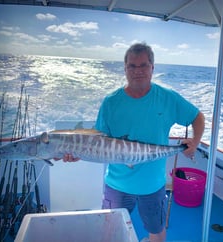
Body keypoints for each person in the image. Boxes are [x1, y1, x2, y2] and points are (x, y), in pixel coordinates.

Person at [63, 43, 205, 242]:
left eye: (143, 65)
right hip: (117, 184)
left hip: (153, 185)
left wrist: (195, 141)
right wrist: (77, 153)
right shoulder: (111, 102)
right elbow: (99, 141)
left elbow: (197, 117)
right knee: (109, 232)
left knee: (156, 231)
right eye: (132, 66)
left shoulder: (167, 97)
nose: (138, 71)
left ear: (152, 68)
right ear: (125, 69)